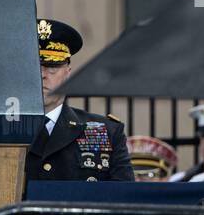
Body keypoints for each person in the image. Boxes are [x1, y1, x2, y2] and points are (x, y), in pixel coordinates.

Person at [25, 19, 134, 183]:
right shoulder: (1, 130)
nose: (42, 75)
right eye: (34, 67)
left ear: (68, 73)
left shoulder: (107, 132)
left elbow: (123, 199)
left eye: (52, 67)